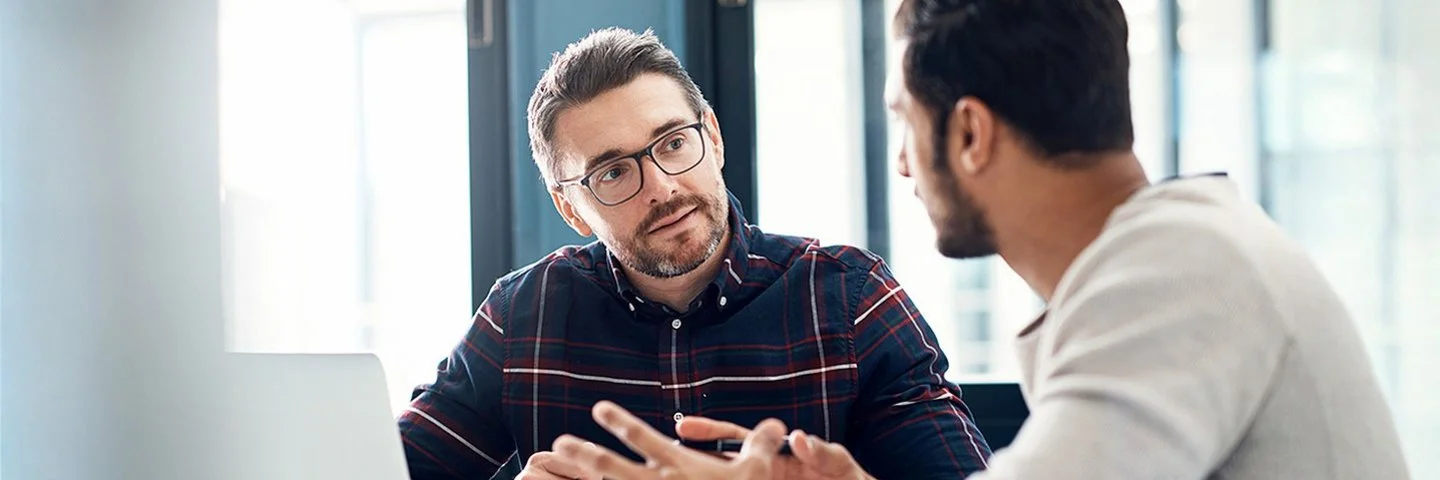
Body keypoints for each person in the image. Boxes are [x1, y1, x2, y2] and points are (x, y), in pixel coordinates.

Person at [550, 1, 1415, 479]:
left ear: (968, 135)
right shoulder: (1181, 253)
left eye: (903, 123)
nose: (897, 163)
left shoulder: (1173, 279)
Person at [396, 27, 992, 480]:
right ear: (571, 209)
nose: (661, 186)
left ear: (713, 137)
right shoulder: (521, 317)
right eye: (612, 172)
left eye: (673, 143)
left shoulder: (851, 298)